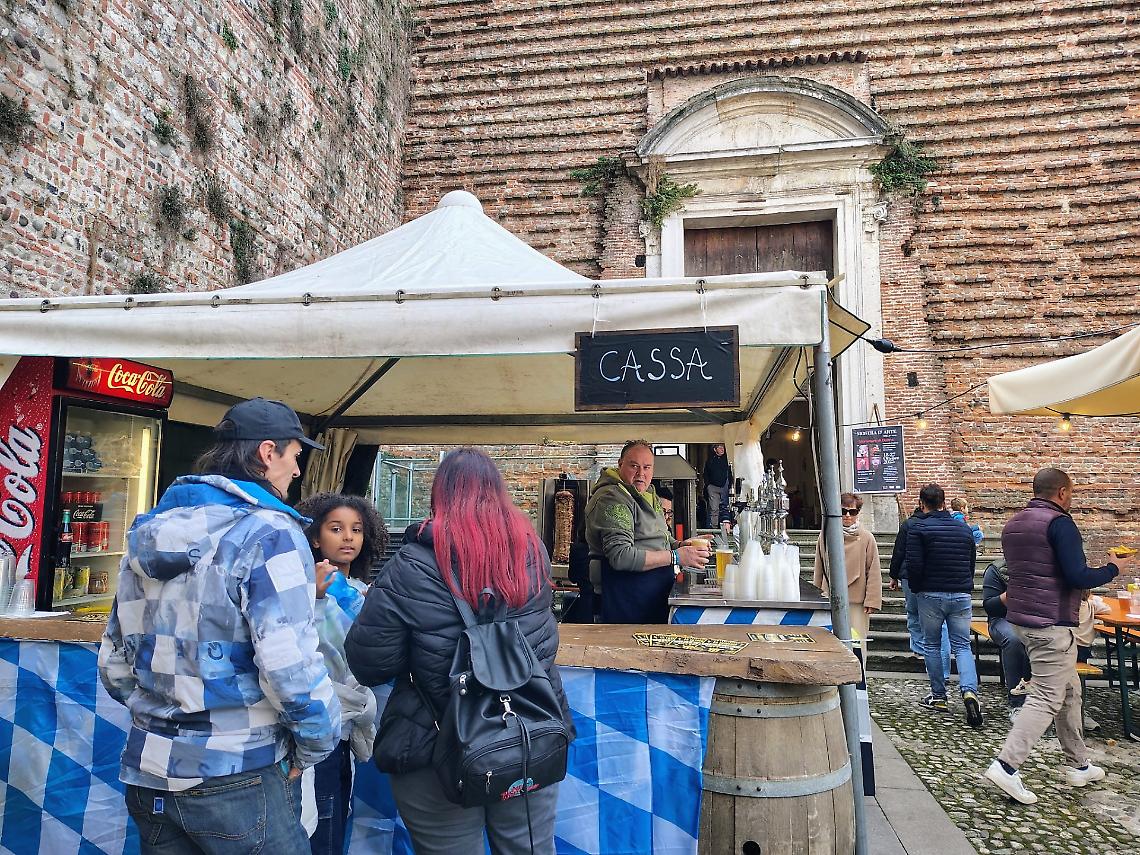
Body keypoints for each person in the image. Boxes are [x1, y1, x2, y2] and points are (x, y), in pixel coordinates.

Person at [97, 397, 340, 853]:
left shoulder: (148, 530)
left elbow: (113, 662)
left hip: (150, 772)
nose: (297, 471)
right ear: (268, 453)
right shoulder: (270, 531)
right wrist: (314, 745)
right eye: (295, 456)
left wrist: (162, 717)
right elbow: (290, 668)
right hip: (239, 772)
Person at [344, 448, 574, 854]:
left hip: (434, 740)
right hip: (527, 732)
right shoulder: (532, 552)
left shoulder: (411, 565)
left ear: (440, 495)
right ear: (499, 492)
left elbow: (369, 663)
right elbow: (544, 643)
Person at [983, 467, 1131, 805]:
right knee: (1046, 698)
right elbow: (1077, 574)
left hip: (1023, 619)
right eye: (1072, 491)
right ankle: (1006, 766)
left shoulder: (1014, 524)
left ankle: (1079, 763)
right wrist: (1113, 568)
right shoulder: (1060, 523)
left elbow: (1037, 571)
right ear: (1063, 492)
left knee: (1070, 691)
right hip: (1051, 625)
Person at [294, 492, 390, 855]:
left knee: (336, 809)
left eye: (356, 530)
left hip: (349, 725)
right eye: (336, 529)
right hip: (316, 722)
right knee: (320, 817)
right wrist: (314, 598)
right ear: (316, 537)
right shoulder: (299, 586)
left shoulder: (363, 591)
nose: (348, 537)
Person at [584, 440, 710, 623]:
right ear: (620, 465)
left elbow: (661, 538)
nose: (641, 474)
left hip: (652, 593)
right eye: (634, 466)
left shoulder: (648, 494)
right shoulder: (612, 499)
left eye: (647, 467)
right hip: (625, 598)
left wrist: (682, 545)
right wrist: (676, 556)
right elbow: (621, 556)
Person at [905, 483, 983, 728]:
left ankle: (938, 696)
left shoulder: (919, 528)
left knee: (932, 644)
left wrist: (917, 589)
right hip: (960, 593)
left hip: (930, 593)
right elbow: (971, 562)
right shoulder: (963, 529)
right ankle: (969, 692)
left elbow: (914, 564)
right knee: (962, 646)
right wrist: (965, 584)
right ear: (944, 502)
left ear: (921, 503)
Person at [889, 502, 950, 681]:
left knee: (914, 612)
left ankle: (921, 649)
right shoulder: (937, 524)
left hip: (913, 575)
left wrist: (893, 575)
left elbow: (899, 551)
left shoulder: (911, 524)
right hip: (932, 577)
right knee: (936, 621)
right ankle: (936, 662)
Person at [813, 492, 882, 647]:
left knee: (857, 643)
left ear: (858, 513)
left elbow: (873, 570)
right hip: (830, 597)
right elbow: (819, 567)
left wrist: (872, 599)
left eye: (853, 512)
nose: (847, 516)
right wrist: (816, 594)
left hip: (857, 600)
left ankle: (858, 671)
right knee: (829, 643)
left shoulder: (867, 538)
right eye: (843, 511)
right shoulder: (825, 536)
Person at [981, 557, 1032, 718]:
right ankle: (1018, 703)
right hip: (1004, 619)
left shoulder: (1046, 565)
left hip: (1037, 619)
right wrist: (1010, 595)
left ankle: (1072, 706)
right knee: (1015, 639)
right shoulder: (997, 569)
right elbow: (990, 607)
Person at [702, 442, 732, 527]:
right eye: (720, 447)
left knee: (725, 507)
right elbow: (705, 474)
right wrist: (708, 485)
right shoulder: (710, 460)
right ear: (715, 449)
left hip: (724, 486)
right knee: (714, 508)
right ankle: (714, 528)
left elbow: (730, 472)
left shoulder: (727, 459)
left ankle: (725, 527)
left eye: (723, 447)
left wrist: (730, 484)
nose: (722, 449)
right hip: (713, 487)